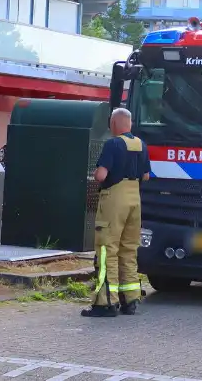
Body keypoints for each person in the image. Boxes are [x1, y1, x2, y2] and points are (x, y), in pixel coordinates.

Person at [83, 108, 150, 318]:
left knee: (106, 250)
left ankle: (105, 303)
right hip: (135, 200)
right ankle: (130, 300)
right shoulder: (141, 145)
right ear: (129, 124)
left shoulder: (113, 144)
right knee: (128, 250)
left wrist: (96, 174)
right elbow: (146, 176)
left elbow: (101, 175)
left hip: (115, 200)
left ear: (114, 124)